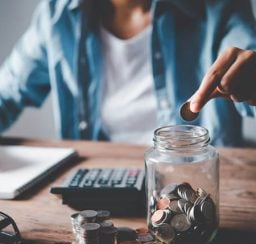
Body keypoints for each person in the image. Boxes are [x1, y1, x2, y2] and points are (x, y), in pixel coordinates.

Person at [0, 0, 255, 146]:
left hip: (199, 187)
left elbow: (246, 62)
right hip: (96, 187)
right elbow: (6, 93)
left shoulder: (220, 7)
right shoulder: (57, 15)